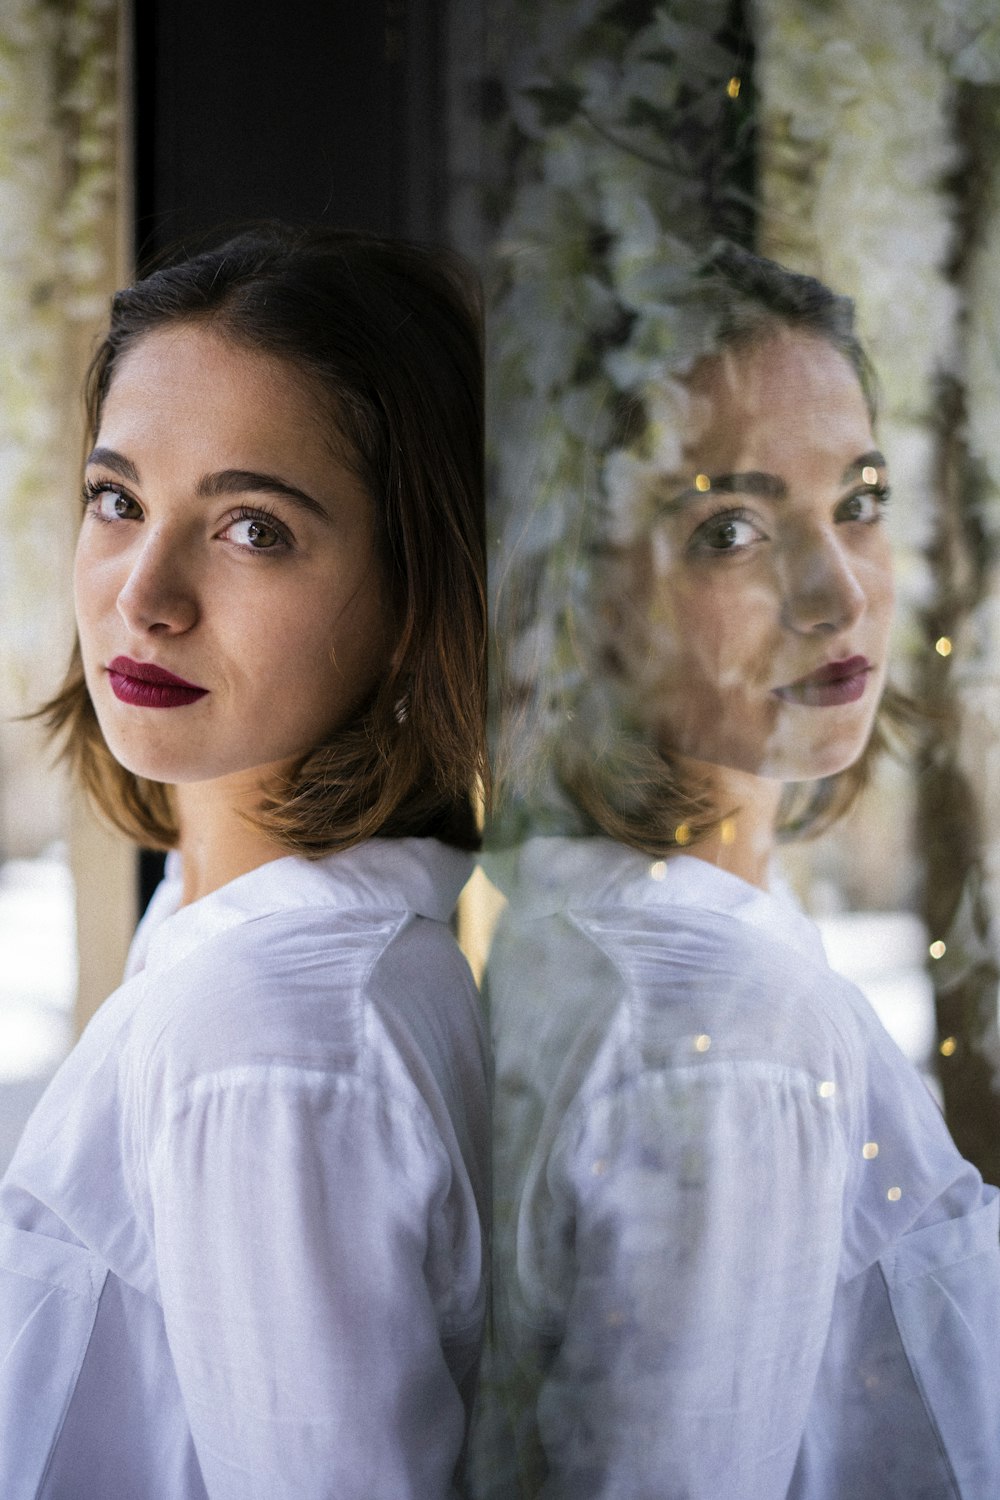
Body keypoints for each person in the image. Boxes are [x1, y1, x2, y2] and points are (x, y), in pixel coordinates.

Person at [473, 245, 1000, 1498]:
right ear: (585, 591)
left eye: (856, 500)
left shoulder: (596, 919)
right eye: (732, 528)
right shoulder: (732, 1042)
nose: (836, 591)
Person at [0, 225, 489, 1500]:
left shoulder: (267, 1043)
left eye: (253, 529)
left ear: (412, 598)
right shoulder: (249, 946)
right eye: (118, 500)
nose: (144, 593)